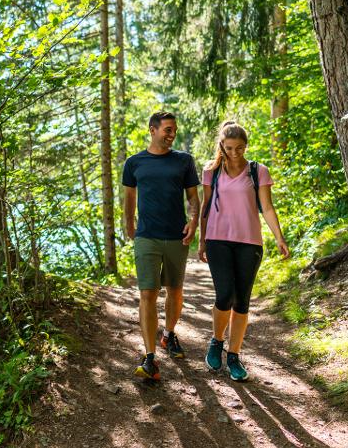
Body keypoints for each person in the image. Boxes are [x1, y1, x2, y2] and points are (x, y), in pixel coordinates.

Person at [198, 120, 289, 382]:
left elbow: (267, 208)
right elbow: (205, 208)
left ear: (245, 146)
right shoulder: (211, 171)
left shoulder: (257, 171)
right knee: (224, 294)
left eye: (239, 147)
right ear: (222, 146)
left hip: (249, 242)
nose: (234, 152)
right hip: (218, 240)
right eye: (229, 148)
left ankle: (234, 355)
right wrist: (202, 241)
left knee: (242, 301)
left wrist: (279, 237)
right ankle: (217, 341)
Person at [122, 111, 201, 381]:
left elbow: (193, 196)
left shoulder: (184, 161)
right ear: (152, 130)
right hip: (146, 236)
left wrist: (194, 221)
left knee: (175, 292)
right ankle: (150, 357)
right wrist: (129, 226)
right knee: (148, 294)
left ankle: (168, 334)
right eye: (167, 129)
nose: (171, 134)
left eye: (174, 130)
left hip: (177, 237)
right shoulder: (134, 163)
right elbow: (129, 197)